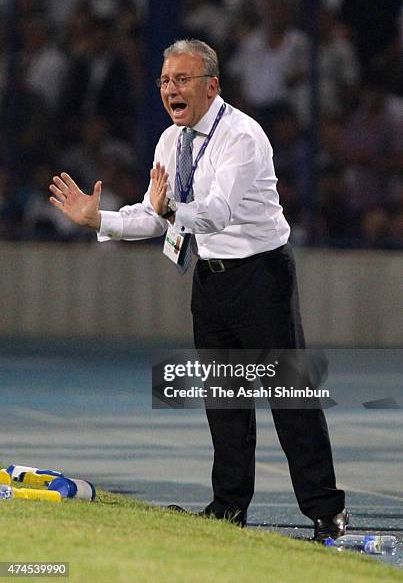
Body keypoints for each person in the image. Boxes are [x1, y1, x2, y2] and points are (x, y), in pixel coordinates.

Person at [49, 38, 347, 541]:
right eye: (165, 81)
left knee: (289, 396)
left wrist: (168, 212)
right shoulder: (171, 140)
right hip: (211, 279)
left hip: (262, 276)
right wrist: (96, 218)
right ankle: (229, 507)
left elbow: (216, 212)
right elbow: (152, 213)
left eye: (181, 80)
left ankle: (325, 511)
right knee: (224, 401)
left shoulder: (241, 136)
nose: (171, 90)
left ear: (212, 86)